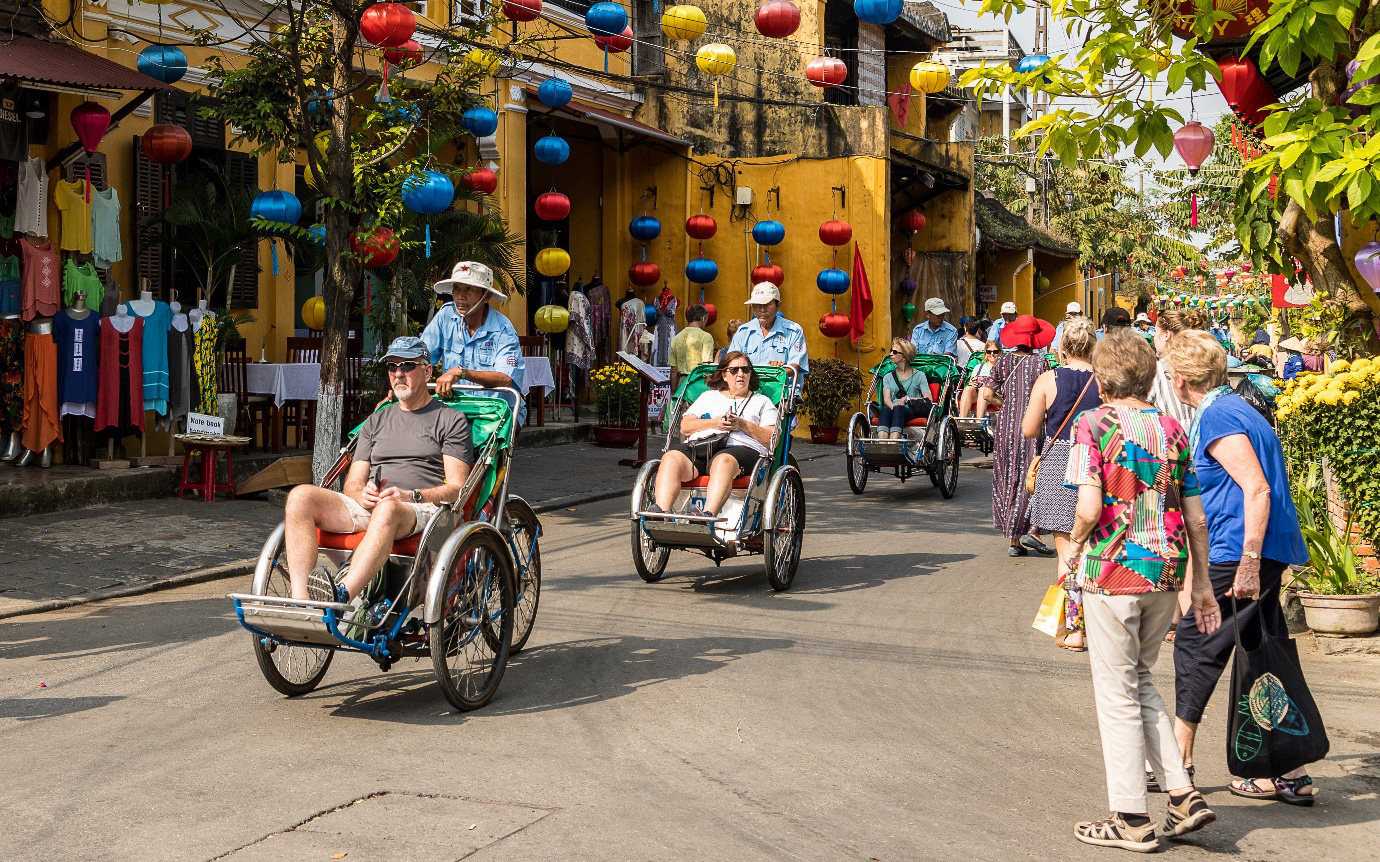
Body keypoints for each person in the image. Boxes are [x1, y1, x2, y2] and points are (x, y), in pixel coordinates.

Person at [1065, 328, 1220, 852]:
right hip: (1167, 570)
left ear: (1101, 379)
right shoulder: (1174, 428)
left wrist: (1073, 551)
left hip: (1113, 570)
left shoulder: (1093, 424)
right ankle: (1182, 794)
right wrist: (1201, 587)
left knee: (1116, 696)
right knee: (1140, 680)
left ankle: (1130, 817)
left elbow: (1087, 508)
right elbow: (1196, 518)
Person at [1165, 331, 1317, 806]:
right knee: (1258, 649)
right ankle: (1288, 771)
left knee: (1198, 643)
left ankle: (1178, 762)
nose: (1169, 382)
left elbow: (1256, 489)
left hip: (1239, 549)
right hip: (1258, 548)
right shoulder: (1238, 408)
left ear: (1184, 379)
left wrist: (1247, 562)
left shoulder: (1217, 415)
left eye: (1171, 375)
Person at [283, 337, 473, 603]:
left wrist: (411, 495)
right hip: (373, 508)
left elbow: (456, 489)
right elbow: (353, 483)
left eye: (407, 366)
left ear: (428, 370)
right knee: (300, 496)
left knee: (387, 509)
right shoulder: (376, 420)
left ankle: (342, 596)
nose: (398, 374)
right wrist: (362, 494)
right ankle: (302, 601)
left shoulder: (450, 420)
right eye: (392, 367)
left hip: (419, 510)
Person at [1022, 317, 1101, 651]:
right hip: (1097, 462)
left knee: (1067, 552)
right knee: (1093, 547)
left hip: (1058, 465)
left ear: (1063, 348)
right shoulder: (1105, 380)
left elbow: (1029, 429)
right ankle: (1097, 625)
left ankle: (1074, 630)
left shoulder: (1048, 379)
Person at [648, 350, 778, 519]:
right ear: (724, 375)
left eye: (745, 370)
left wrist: (743, 425)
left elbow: (772, 439)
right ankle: (661, 513)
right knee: (671, 457)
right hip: (703, 446)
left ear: (750, 374)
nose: (740, 374)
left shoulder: (762, 401)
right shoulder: (708, 397)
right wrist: (714, 423)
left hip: (740, 449)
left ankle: (706, 516)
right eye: (734, 370)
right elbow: (685, 427)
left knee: (723, 461)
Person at [420, 260, 527, 422]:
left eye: (469, 289)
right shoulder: (445, 316)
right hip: (454, 408)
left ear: (487, 296)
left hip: (494, 411)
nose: (460, 296)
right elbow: (421, 356)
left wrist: (461, 372)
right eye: (457, 288)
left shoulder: (503, 328)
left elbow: (506, 379)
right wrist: (402, 384)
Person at [984, 315, 1053, 556]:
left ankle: (1014, 540)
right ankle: (1032, 531)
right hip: (1032, 426)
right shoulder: (1041, 365)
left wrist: (1006, 404)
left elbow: (986, 394)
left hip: (1006, 425)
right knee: (1033, 474)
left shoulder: (1002, 362)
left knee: (1008, 474)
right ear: (1035, 339)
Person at [729, 283, 808, 377]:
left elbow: (795, 366)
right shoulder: (743, 332)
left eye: (767, 304)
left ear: (778, 306)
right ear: (752, 307)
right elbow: (731, 363)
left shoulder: (794, 331)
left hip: (783, 389)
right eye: (758, 305)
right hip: (750, 389)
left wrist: (778, 371)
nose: (762, 310)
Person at [1147, 307, 1206, 431]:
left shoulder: (1156, 370)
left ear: (1166, 334)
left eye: (1156, 332)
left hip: (1171, 441)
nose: (1154, 338)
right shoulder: (1202, 364)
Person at [877, 338, 932, 440]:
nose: (890, 354)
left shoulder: (920, 375)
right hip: (892, 407)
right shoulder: (888, 376)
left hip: (910, 409)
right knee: (885, 409)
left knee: (899, 409)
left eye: (894, 352)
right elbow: (887, 398)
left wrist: (907, 399)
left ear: (905, 357)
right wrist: (892, 406)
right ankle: (882, 444)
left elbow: (928, 399)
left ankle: (893, 444)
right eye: (891, 351)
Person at [669, 303, 716, 390]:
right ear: (703, 318)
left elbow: (674, 370)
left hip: (681, 383)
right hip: (697, 382)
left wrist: (673, 391)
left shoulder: (676, 338)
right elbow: (705, 366)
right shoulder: (706, 337)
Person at [958, 340, 1002, 419]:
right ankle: (962, 420)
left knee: (983, 389)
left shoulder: (1002, 368)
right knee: (968, 389)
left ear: (999, 353)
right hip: (977, 393)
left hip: (994, 395)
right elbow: (971, 382)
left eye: (995, 352)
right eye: (989, 352)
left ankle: (979, 422)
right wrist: (973, 383)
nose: (992, 354)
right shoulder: (978, 367)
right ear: (986, 353)